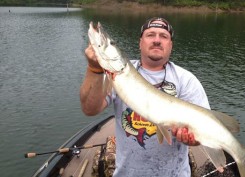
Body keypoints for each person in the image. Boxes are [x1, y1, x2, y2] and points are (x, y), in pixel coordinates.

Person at [80, 17, 211, 177]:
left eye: (163, 36)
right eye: (150, 35)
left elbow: (201, 133)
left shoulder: (186, 80)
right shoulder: (116, 74)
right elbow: (90, 109)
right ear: (140, 42)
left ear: (171, 45)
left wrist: (193, 139)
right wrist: (94, 68)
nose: (157, 40)